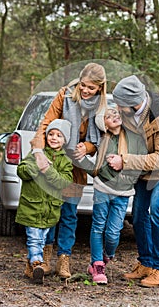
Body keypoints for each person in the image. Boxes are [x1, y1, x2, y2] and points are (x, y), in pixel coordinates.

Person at [107, 75, 159, 288]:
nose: (116, 106)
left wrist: (124, 161)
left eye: (119, 103)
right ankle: (146, 263)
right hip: (144, 161)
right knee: (139, 212)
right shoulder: (128, 112)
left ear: (130, 102)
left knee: (157, 209)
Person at [30, 63, 107, 279]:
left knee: (69, 215)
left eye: (91, 88)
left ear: (100, 89)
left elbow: (102, 138)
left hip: (76, 169)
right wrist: (38, 150)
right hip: (54, 165)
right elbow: (45, 124)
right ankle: (44, 259)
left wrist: (88, 147)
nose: (85, 90)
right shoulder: (64, 96)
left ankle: (63, 260)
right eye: (83, 85)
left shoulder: (101, 108)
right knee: (50, 213)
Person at [74, 106, 147, 284]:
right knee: (98, 225)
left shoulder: (133, 137)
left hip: (123, 192)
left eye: (115, 113)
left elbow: (140, 161)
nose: (114, 116)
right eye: (108, 116)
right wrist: (82, 161)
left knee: (113, 232)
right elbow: (95, 167)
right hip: (102, 190)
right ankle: (97, 265)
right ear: (103, 124)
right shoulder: (102, 140)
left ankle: (106, 256)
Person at [15, 119, 73, 284]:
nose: (54, 138)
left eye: (59, 136)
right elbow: (22, 170)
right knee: (34, 239)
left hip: (50, 209)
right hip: (32, 206)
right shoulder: (36, 154)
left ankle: (30, 267)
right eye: (51, 134)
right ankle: (37, 263)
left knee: (42, 239)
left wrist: (47, 170)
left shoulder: (66, 162)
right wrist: (36, 166)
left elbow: (64, 182)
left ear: (65, 140)